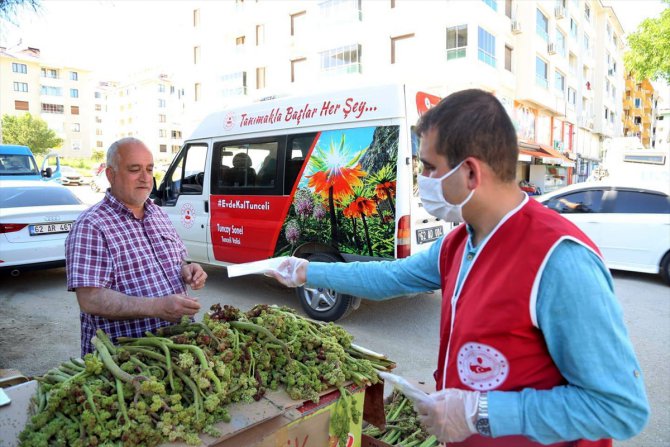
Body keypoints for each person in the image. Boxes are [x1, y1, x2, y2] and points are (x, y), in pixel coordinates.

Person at [268, 90, 649, 446]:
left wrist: (482, 412)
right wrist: (307, 272)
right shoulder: (459, 243)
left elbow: (619, 408)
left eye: (430, 168)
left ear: (470, 173)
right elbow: (392, 277)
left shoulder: (560, 260)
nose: (424, 181)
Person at [65, 137, 207, 356]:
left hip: (177, 350)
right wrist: (157, 307)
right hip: (125, 361)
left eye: (149, 170)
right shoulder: (91, 225)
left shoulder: (158, 213)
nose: (145, 178)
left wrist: (187, 270)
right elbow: (90, 299)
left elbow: (176, 261)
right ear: (111, 175)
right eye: (134, 169)